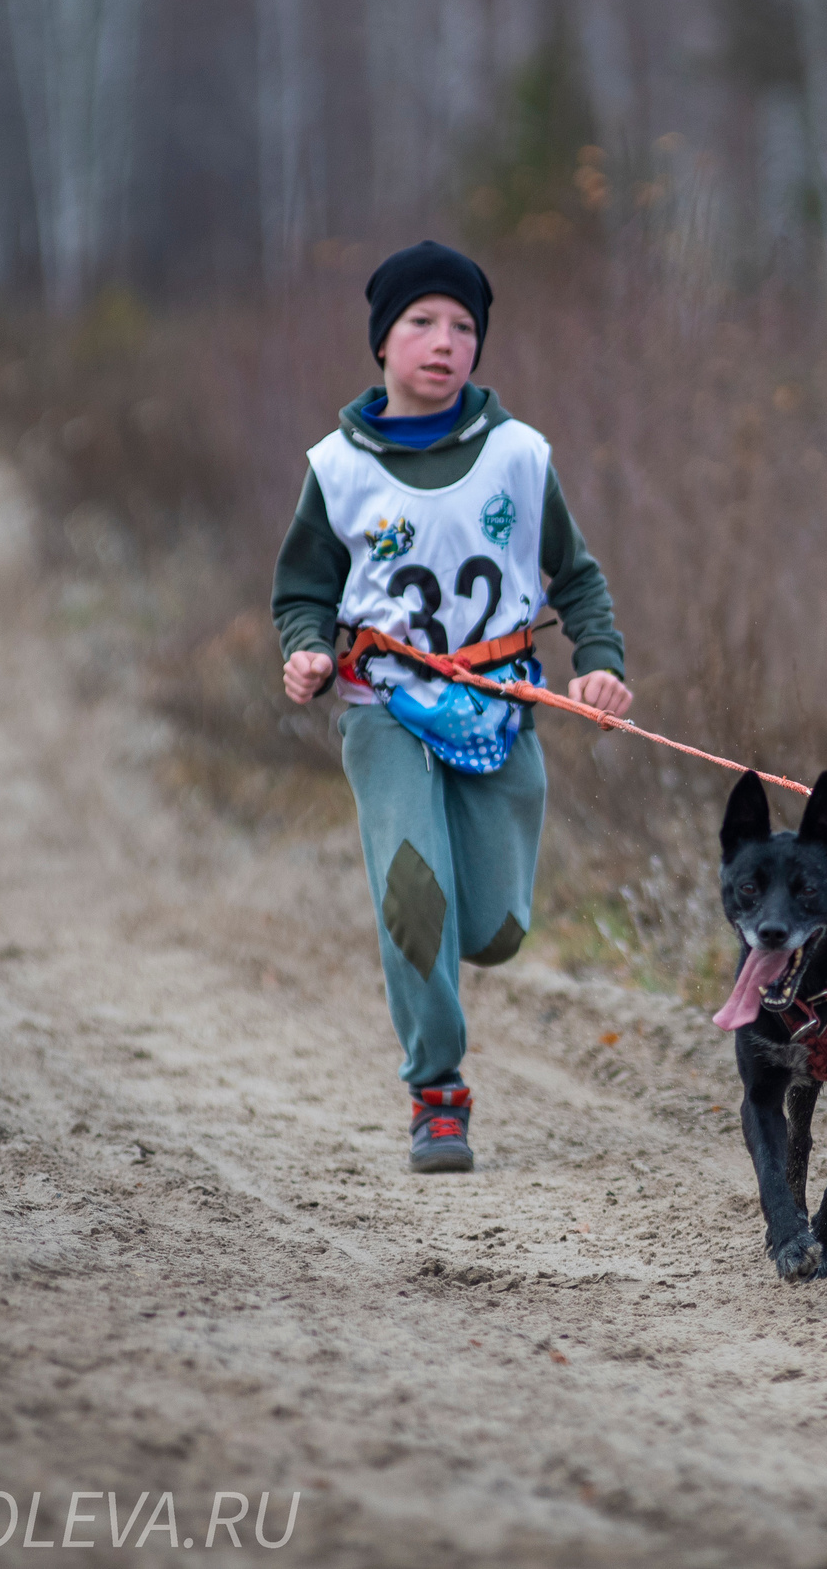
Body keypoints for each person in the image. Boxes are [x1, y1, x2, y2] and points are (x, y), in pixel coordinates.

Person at [273, 241, 631, 1172]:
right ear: (382, 342)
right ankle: (438, 1092)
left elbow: (578, 577)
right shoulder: (337, 467)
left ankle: (467, 960)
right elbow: (303, 588)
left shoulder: (519, 457)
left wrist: (598, 662)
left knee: (494, 931)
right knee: (413, 894)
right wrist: (308, 649)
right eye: (422, 323)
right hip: (381, 701)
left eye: (464, 326)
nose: (445, 342)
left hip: (500, 704)